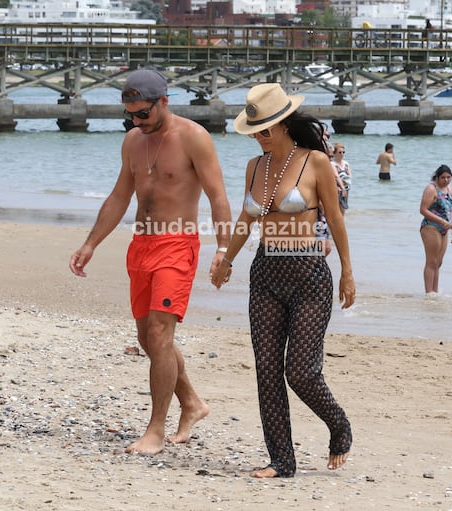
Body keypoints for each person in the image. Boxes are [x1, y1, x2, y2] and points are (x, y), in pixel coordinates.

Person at [68, 69, 233, 455]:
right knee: (147, 338)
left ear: (164, 102)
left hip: (177, 244)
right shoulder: (132, 141)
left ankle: (155, 430)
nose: (136, 121)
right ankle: (192, 403)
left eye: (142, 113)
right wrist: (91, 243)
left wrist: (223, 250)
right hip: (141, 246)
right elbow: (119, 197)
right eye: (130, 115)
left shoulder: (194, 138)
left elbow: (218, 196)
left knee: (159, 334)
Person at [211, 83, 355, 479]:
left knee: (301, 372)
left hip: (309, 276)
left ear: (284, 124)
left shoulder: (315, 162)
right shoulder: (255, 166)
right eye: (254, 131)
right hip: (266, 275)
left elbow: (336, 219)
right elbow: (245, 221)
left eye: (265, 130)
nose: (259, 138)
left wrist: (347, 271)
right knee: (268, 370)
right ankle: (282, 460)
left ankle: (338, 424)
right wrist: (226, 258)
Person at [419, 165, 452, 295]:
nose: (446, 180)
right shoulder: (431, 189)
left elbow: (450, 210)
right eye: (443, 177)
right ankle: (428, 292)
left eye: (448, 177)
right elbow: (423, 210)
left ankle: (434, 292)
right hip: (431, 226)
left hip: (445, 228)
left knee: (438, 262)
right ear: (437, 177)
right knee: (432, 261)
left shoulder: (450, 189)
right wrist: (440, 221)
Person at [331, 142, 351, 214]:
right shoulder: (332, 164)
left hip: (346, 188)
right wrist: (342, 188)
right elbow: (336, 176)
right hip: (337, 189)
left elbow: (349, 175)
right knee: (337, 209)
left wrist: (345, 187)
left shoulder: (346, 163)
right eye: (340, 152)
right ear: (334, 153)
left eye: (343, 152)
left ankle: (342, 223)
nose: (342, 154)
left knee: (344, 208)